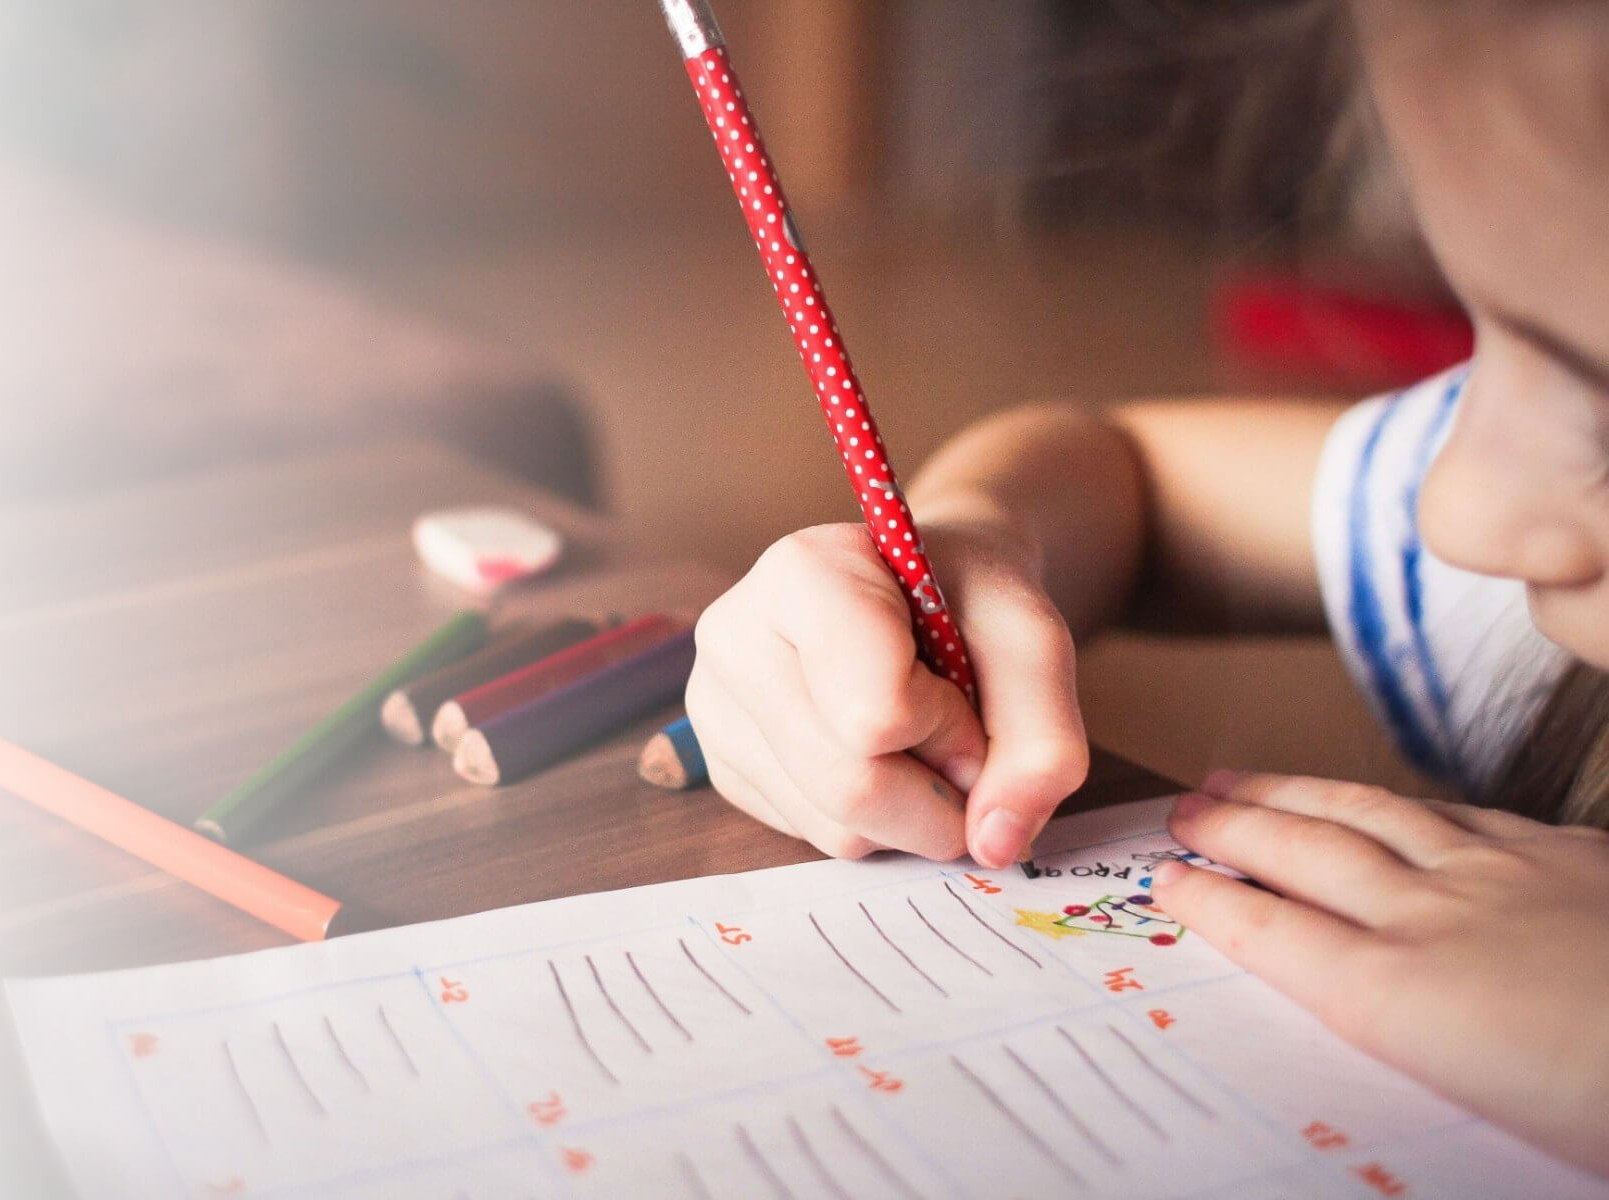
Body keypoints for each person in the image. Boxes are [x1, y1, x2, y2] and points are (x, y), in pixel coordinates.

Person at [684, 0, 1609, 1175]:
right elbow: (1130, 475)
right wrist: (980, 544)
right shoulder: (1523, 547)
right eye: (1476, 341)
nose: (1450, 511)